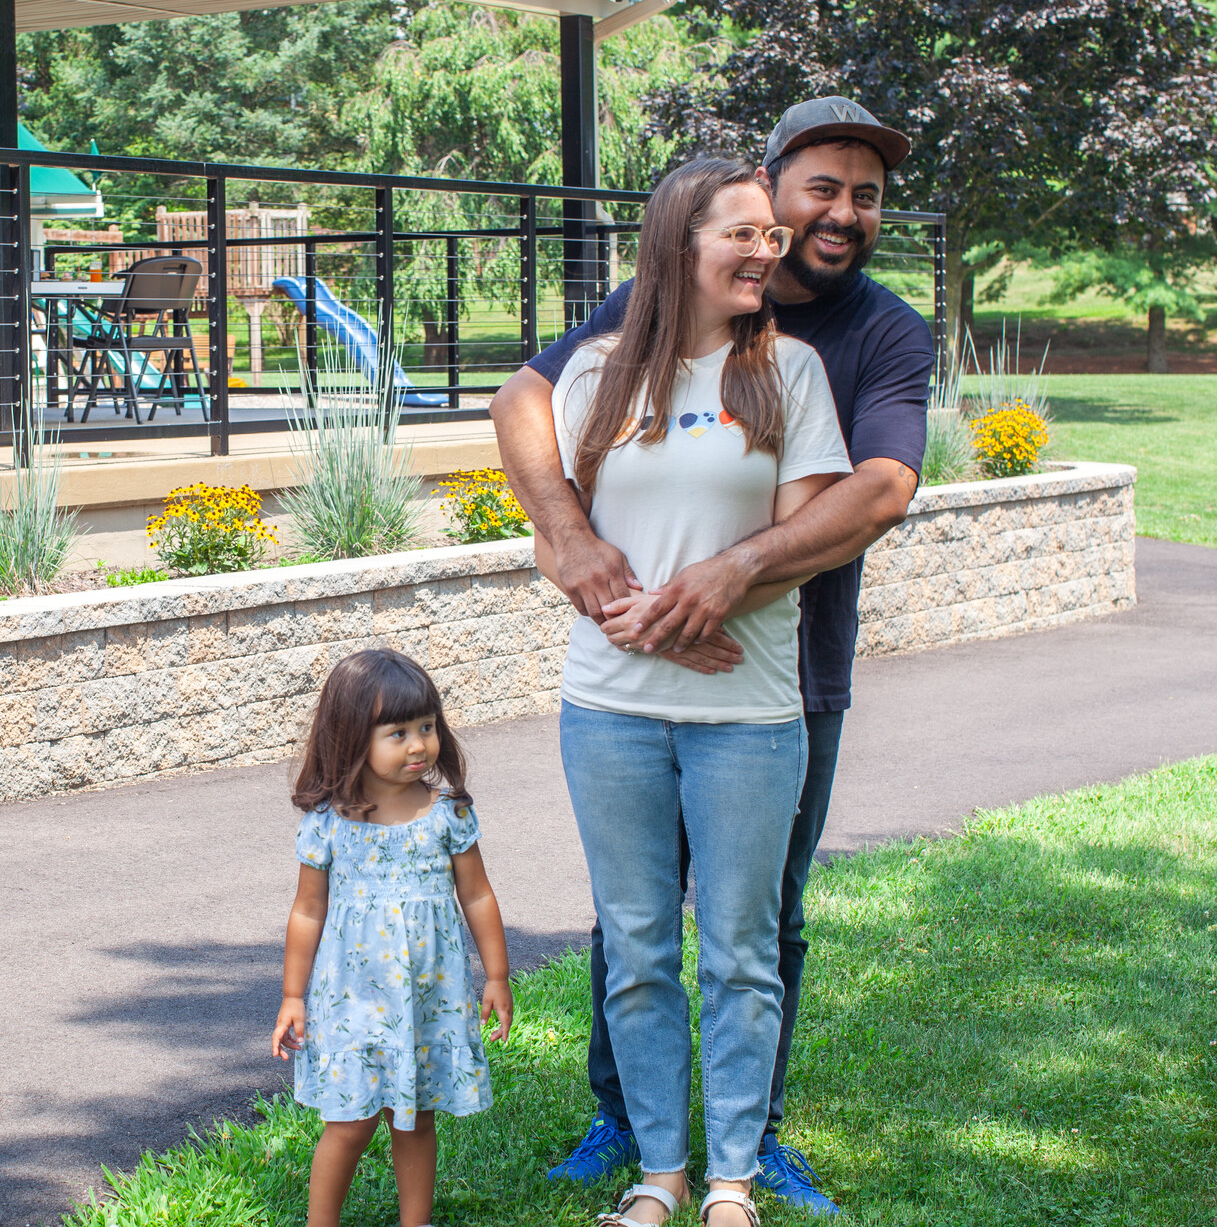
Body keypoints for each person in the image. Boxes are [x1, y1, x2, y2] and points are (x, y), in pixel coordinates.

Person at [492, 98, 933, 1216]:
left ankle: (747, 1152)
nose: (832, 218)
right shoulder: (626, 332)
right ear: (761, 191)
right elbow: (526, 407)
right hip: (615, 695)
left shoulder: (856, 342)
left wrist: (717, 589)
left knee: (757, 925)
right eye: (812, 194)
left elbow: (876, 490)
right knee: (632, 929)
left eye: (863, 198)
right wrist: (574, 550)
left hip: (782, 674)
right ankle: (637, 1139)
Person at [537, 156, 853, 1227]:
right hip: (608, 710)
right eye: (744, 234)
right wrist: (649, 628)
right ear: (679, 244)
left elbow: (795, 545)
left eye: (771, 235)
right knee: (631, 945)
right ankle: (657, 1174)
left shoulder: (789, 375)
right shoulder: (591, 377)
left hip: (749, 717)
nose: (767, 250)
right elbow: (562, 543)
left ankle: (729, 1181)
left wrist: (681, 614)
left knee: (737, 951)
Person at [272, 648, 514, 1227]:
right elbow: (307, 911)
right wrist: (292, 995)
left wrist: (497, 976)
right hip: (353, 1000)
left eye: (427, 728)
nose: (418, 746)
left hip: (427, 1000)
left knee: (417, 1117)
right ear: (352, 737)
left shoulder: (447, 815)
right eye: (398, 732)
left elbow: (477, 895)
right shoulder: (330, 823)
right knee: (350, 1122)